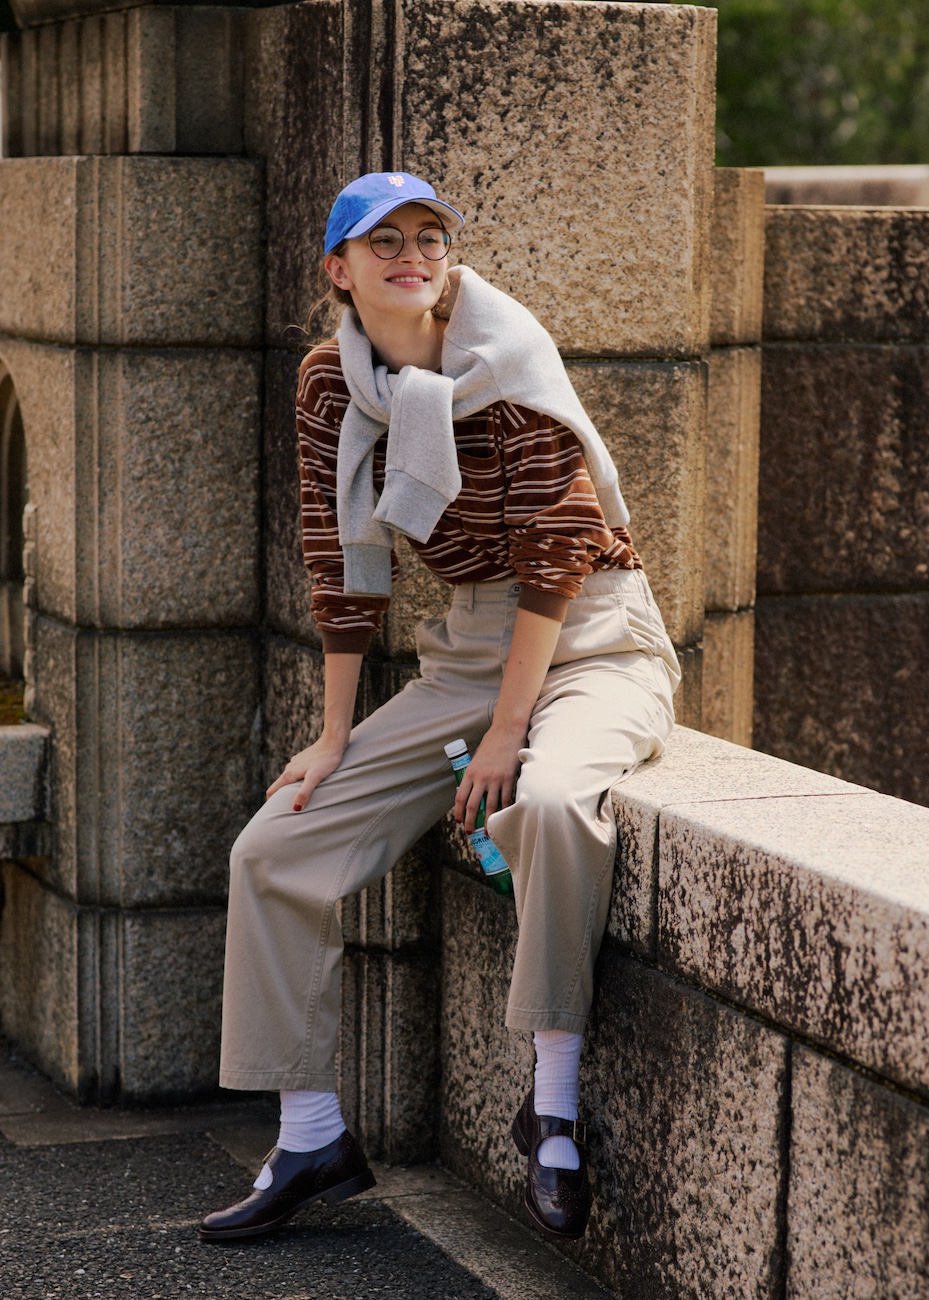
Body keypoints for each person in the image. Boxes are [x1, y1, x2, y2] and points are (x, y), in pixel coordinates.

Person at [198, 172, 680, 1245]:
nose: (411, 255)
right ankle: (310, 1136)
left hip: (591, 635)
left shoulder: (506, 360)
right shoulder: (332, 382)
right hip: (469, 648)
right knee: (272, 846)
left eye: (429, 237)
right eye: (385, 242)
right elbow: (339, 555)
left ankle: (551, 1108)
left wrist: (507, 733)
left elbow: (559, 549)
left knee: (545, 803)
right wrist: (334, 736)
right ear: (339, 269)